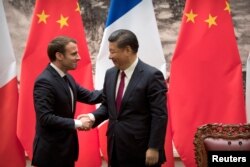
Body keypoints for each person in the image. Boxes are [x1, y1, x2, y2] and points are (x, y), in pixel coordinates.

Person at [80, 29, 167, 167]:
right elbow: (108, 106)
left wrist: (154, 147)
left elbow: (159, 115)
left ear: (127, 49)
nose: (109, 56)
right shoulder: (110, 74)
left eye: (113, 51)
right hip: (115, 146)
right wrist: (92, 117)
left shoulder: (152, 76)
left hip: (142, 149)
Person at [31, 36, 102, 167]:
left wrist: (116, 85)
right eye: (74, 54)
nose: (79, 57)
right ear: (59, 55)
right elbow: (45, 118)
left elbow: (92, 97)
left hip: (67, 151)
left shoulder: (67, 77)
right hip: (50, 155)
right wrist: (79, 123)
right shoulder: (44, 81)